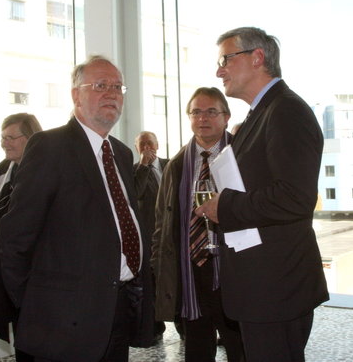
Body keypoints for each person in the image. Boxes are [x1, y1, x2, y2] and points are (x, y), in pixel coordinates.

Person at [0, 55, 153, 362]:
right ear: (75, 95)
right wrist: (35, 304)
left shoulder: (120, 153)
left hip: (117, 310)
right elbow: (15, 237)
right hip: (61, 323)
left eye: (117, 87)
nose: (111, 93)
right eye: (99, 85)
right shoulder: (49, 147)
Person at [196, 27, 328, 362]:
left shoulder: (286, 111)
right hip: (265, 285)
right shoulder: (263, 112)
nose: (219, 70)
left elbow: (295, 197)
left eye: (226, 59)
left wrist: (225, 206)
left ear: (257, 58)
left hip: (276, 287)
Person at [151, 87, 245, 362]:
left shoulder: (242, 156)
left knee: (240, 349)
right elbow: (162, 224)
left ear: (226, 117)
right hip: (191, 276)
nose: (203, 118)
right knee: (196, 351)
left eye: (211, 112)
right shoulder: (176, 164)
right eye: (196, 112)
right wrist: (160, 270)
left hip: (232, 272)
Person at [0, 113, 42, 362]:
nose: (4, 143)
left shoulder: (46, 174)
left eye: (11, 137)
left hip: (37, 280)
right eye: (3, 137)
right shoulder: (0, 172)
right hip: (7, 279)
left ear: (30, 138)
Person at [133, 131, 170, 341]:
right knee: (151, 281)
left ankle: (185, 329)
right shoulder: (133, 171)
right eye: (142, 144)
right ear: (137, 148)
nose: (147, 147)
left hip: (172, 233)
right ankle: (156, 328)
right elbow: (135, 193)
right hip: (149, 235)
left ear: (157, 145)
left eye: (150, 143)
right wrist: (143, 166)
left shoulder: (171, 165)